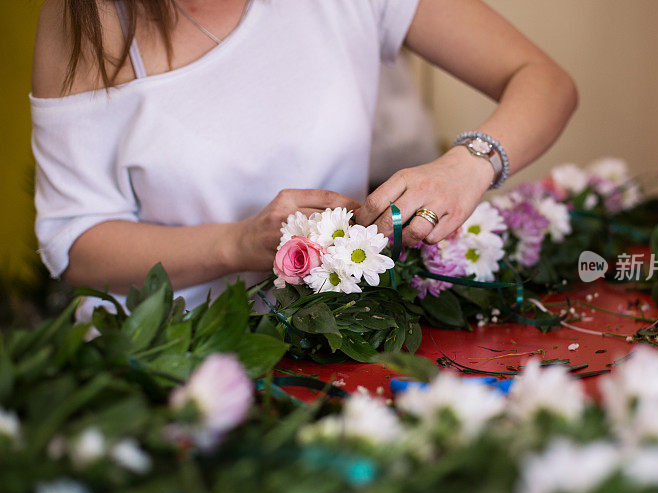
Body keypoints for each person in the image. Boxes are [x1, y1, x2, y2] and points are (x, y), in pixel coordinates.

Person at [32, 0, 577, 309]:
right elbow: (76, 242)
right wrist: (238, 243)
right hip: (159, 357)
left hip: (332, 338)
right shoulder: (87, 14)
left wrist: (468, 164)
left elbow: (544, 82)